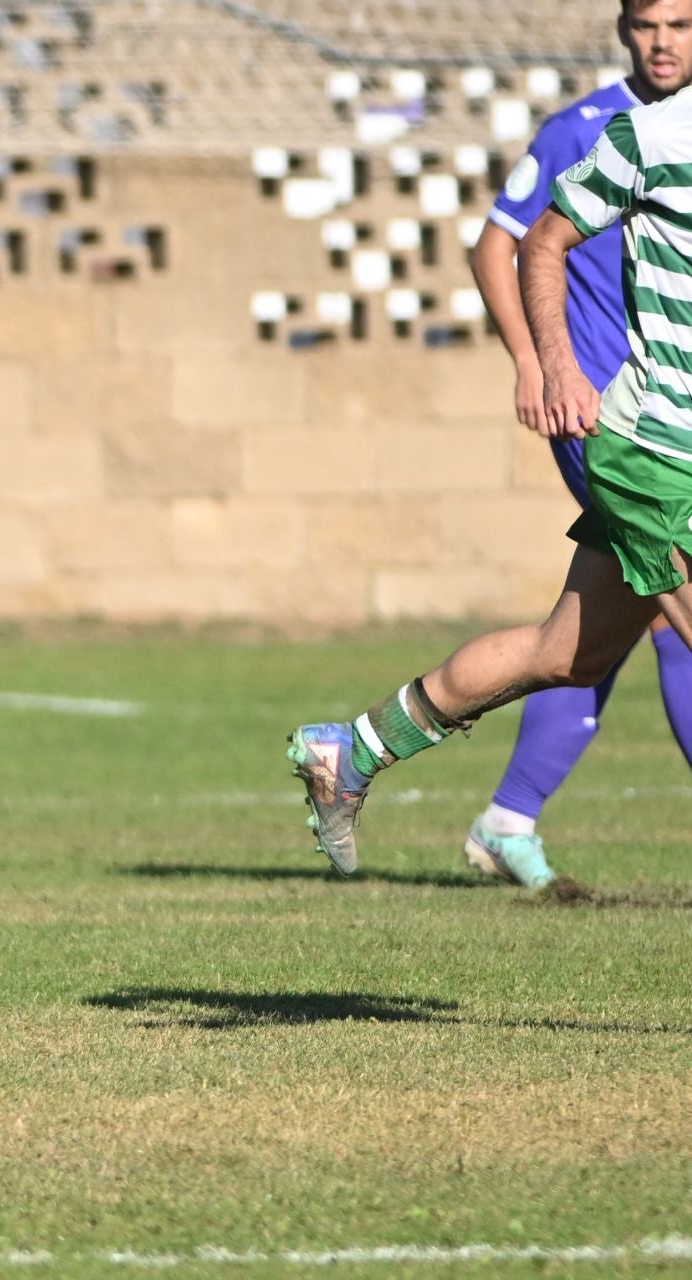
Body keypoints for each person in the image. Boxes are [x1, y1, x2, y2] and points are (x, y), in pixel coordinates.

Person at [288, 82, 692, 877]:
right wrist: (556, 366)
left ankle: (352, 751)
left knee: (565, 655)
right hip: (656, 455)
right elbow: (538, 243)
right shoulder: (651, 136)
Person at [462, 0, 692, 889]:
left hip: (671, 415)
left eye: (680, 24)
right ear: (624, 30)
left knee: (595, 631)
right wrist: (535, 362)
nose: (662, 41)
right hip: (604, 413)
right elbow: (501, 245)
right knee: (667, 616)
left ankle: (505, 814)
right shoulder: (587, 127)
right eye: (648, 24)